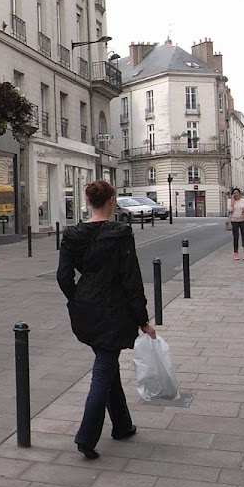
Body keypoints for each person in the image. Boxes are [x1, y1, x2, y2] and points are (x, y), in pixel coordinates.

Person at [57, 179, 157, 460]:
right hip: (114, 308)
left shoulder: (73, 234)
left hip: (86, 306)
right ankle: (86, 436)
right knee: (104, 368)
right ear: (111, 201)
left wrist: (77, 299)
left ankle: (122, 425)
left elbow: (63, 276)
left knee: (107, 359)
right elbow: (131, 278)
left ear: (88, 202)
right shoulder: (120, 232)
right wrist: (142, 319)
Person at [227, 187, 244, 259]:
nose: (236, 194)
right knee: (235, 237)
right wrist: (232, 201)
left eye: (237, 193)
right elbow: (230, 209)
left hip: (243, 220)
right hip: (234, 220)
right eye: (234, 193)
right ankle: (236, 252)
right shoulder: (230, 201)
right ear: (232, 194)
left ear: (240, 194)